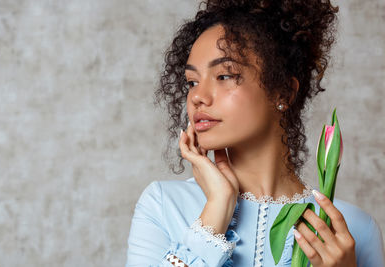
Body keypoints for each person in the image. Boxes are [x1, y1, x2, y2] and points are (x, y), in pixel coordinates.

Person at [125, 0, 385, 266]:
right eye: (192, 82)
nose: (197, 97)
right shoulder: (162, 205)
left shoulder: (351, 229)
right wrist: (216, 210)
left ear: (283, 91)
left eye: (225, 76)